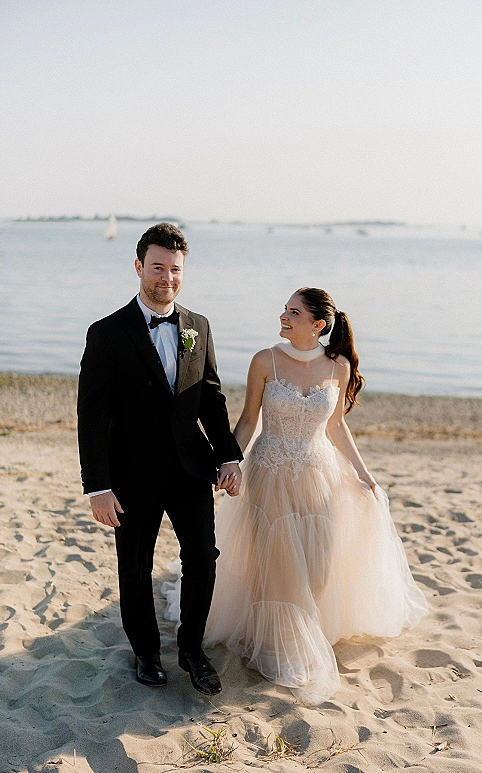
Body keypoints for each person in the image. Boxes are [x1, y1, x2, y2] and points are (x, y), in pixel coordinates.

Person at [164, 287, 428, 704]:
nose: (283, 317)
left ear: (318, 324)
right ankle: (275, 641)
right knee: (275, 564)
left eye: (294, 312)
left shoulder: (337, 367)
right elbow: (249, 419)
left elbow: (337, 426)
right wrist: (229, 462)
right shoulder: (264, 360)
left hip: (319, 473)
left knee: (316, 565)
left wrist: (364, 474)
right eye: (284, 310)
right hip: (268, 473)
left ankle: (307, 629)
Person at [77, 222, 242, 696]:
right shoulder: (106, 333)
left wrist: (229, 457)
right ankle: (146, 652)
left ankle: (192, 648)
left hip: (192, 469)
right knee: (134, 565)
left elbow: (211, 399)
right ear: (138, 268)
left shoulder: (199, 326)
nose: (166, 277)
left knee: (203, 560)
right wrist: (98, 486)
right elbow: (91, 415)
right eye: (157, 267)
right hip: (130, 476)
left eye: (175, 269)